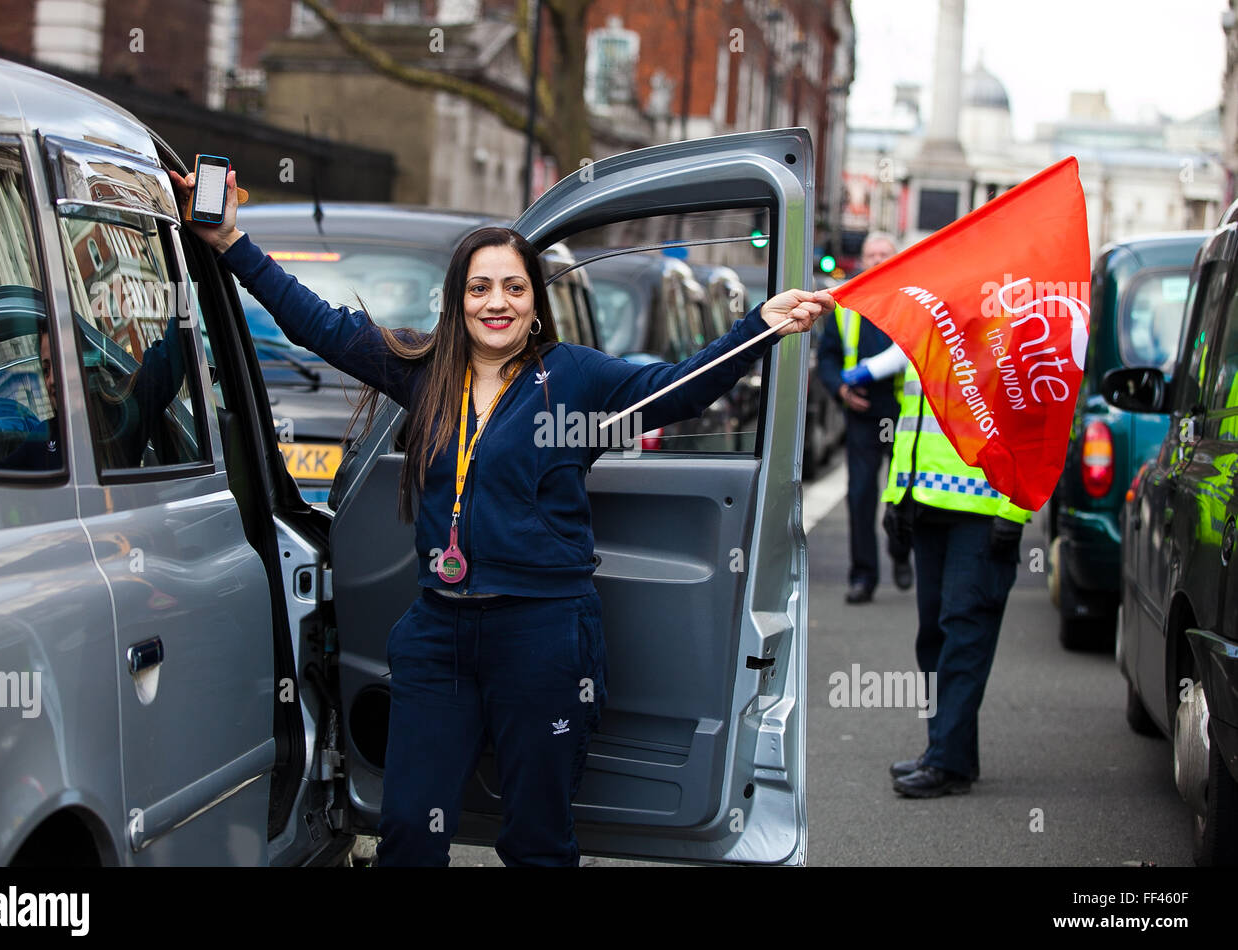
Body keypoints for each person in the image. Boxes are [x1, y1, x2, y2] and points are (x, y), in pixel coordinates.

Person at [171, 167, 832, 865]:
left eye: (514, 287)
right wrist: (230, 240)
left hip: (544, 636)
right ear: (457, 300)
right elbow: (315, 323)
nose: (497, 302)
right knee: (408, 835)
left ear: (533, 302)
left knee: (537, 841)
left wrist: (758, 328)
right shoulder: (421, 369)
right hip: (439, 633)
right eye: (480, 287)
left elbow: (673, 392)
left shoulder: (573, 376)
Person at [882, 357, 1029, 798]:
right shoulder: (925, 325)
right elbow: (912, 419)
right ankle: (946, 750)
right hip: (928, 503)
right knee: (934, 637)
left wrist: (1016, 508)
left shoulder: (1006, 327)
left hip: (984, 513)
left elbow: (1032, 422)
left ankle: (948, 762)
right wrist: (896, 495)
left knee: (964, 631)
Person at [816, 232, 912, 604]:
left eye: (884, 253)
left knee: (902, 495)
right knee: (860, 496)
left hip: (903, 414)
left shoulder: (910, 301)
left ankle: (901, 553)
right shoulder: (846, 303)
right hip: (861, 414)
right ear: (862, 259)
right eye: (871, 254)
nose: (877, 259)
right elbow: (828, 356)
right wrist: (840, 388)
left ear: (896, 257)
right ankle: (863, 577)